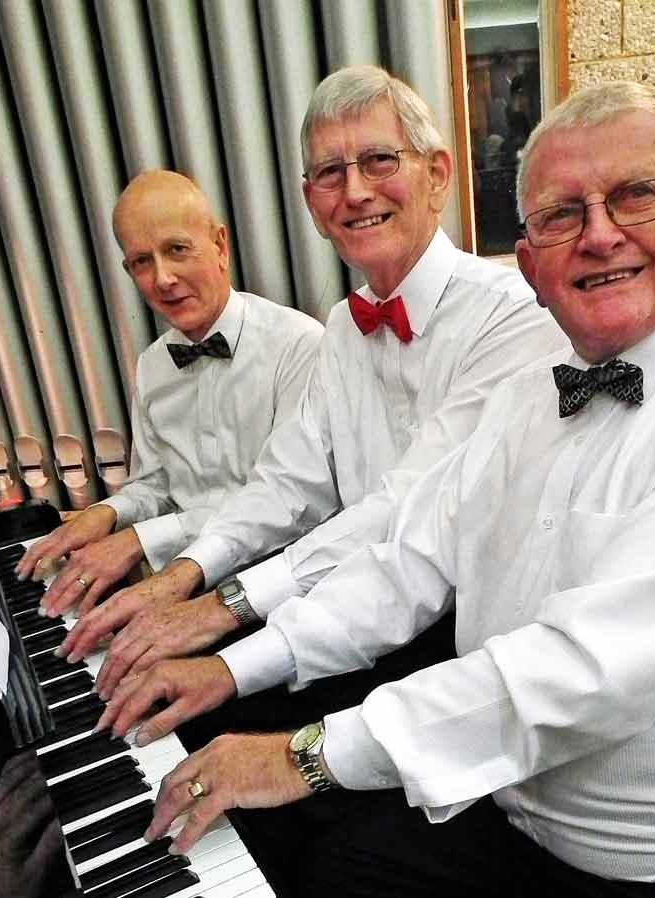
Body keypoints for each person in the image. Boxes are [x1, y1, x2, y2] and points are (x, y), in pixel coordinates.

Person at [99, 82, 655, 897]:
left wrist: (304, 754)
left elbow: (584, 673)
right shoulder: (528, 394)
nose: (599, 234)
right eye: (561, 215)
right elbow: (409, 557)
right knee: (296, 849)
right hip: (515, 811)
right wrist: (231, 670)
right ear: (532, 261)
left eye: (637, 196)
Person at [57, 65, 566, 698]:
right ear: (312, 205)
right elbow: (284, 481)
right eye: (330, 172)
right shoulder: (342, 328)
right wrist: (184, 572)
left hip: (468, 652)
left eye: (379, 160)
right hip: (343, 608)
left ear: (436, 175)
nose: (354, 192)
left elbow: (407, 511)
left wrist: (224, 607)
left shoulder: (513, 313)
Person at [15, 170, 322, 617]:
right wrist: (107, 513)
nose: (163, 279)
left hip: (276, 594)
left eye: (177, 250)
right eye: (142, 262)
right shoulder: (153, 364)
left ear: (219, 245)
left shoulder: (298, 344)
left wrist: (141, 539)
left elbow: (286, 503)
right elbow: (157, 483)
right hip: (174, 584)